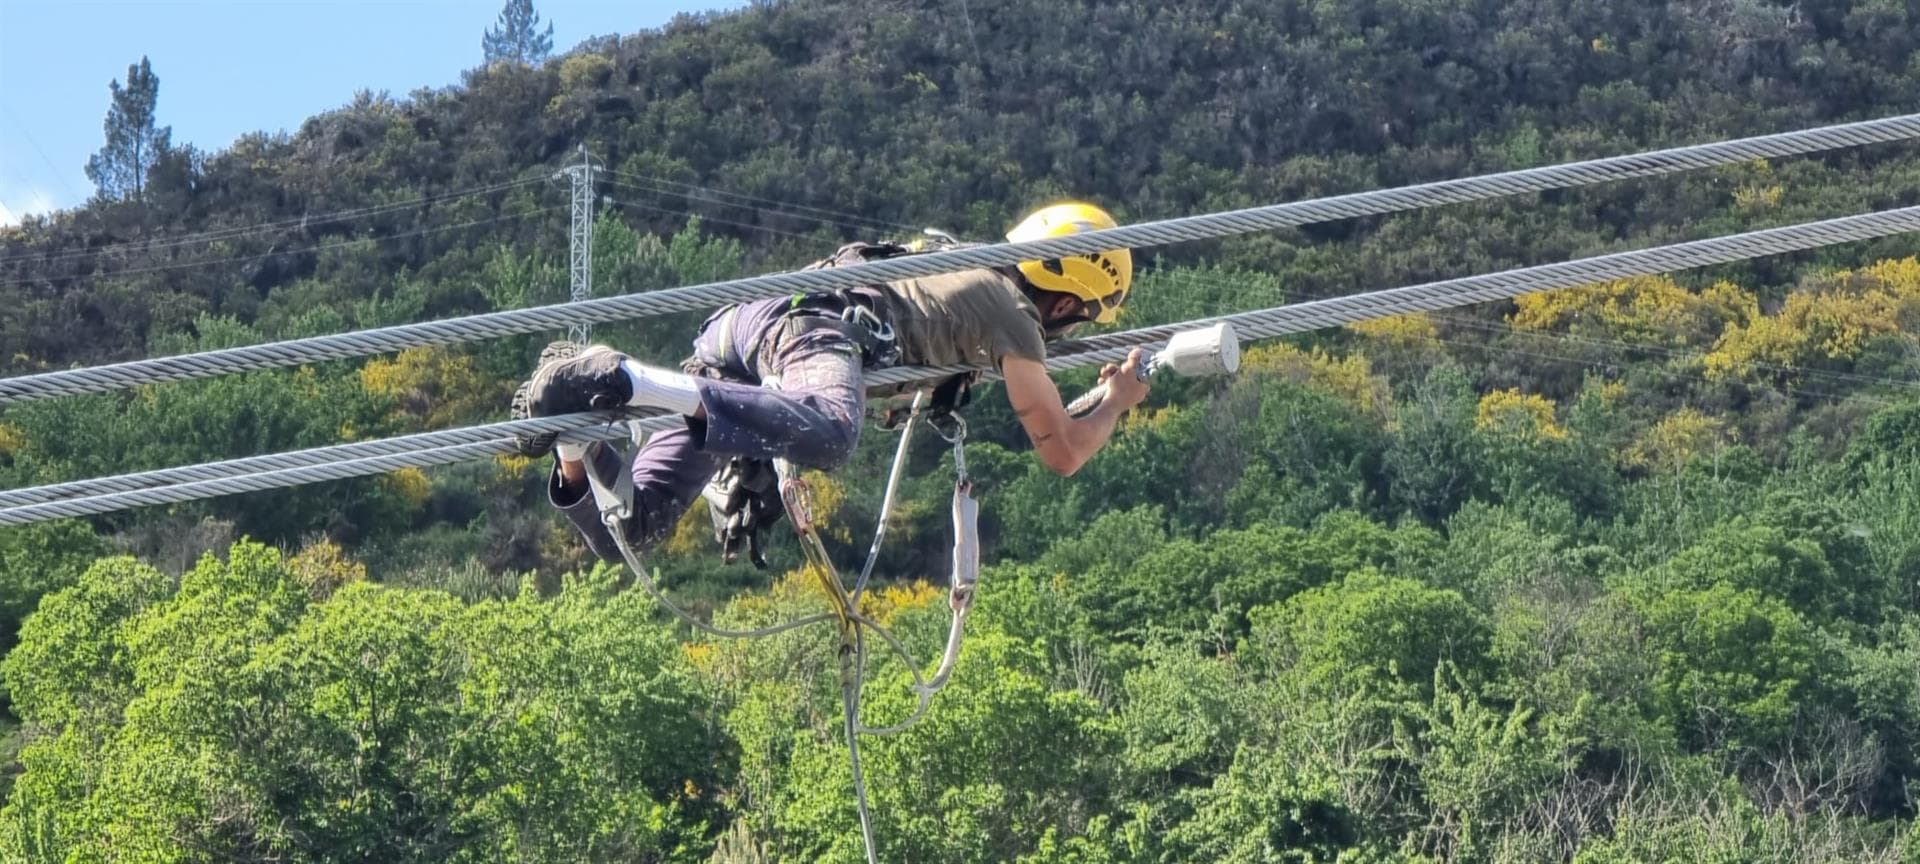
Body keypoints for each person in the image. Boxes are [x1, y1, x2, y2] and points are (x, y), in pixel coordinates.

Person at [512, 201, 1151, 563]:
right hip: (809, 331)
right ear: (1067, 303)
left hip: (743, 335)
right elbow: (1062, 451)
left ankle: (574, 443)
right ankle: (620, 377)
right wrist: (1117, 402)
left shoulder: (956, 268)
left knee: (631, 531)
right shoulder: (1010, 309)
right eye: (1080, 320)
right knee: (832, 432)